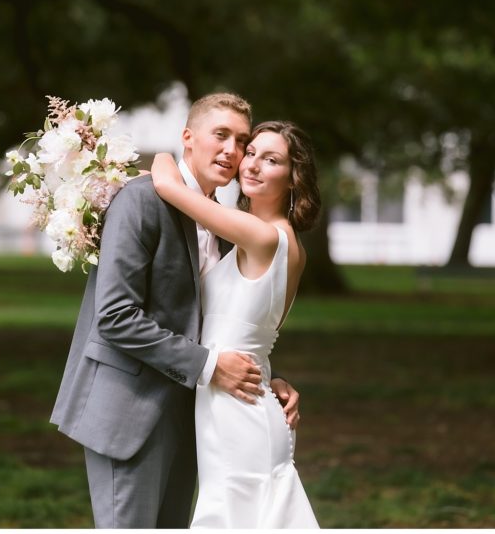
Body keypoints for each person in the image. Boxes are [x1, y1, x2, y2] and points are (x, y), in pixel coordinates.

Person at [50, 93, 303, 528]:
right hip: (130, 412)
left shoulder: (225, 225)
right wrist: (209, 366)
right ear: (189, 137)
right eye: (220, 135)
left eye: (241, 140)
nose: (231, 150)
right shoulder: (141, 200)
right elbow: (114, 317)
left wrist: (264, 374)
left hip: (197, 420)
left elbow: (223, 319)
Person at [150, 119, 321, 528]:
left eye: (272, 159)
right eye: (253, 153)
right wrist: (272, 377)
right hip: (242, 397)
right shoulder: (270, 236)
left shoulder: (263, 236)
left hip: (237, 411)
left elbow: (169, 186)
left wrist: (166, 151)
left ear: (294, 176)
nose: (253, 165)